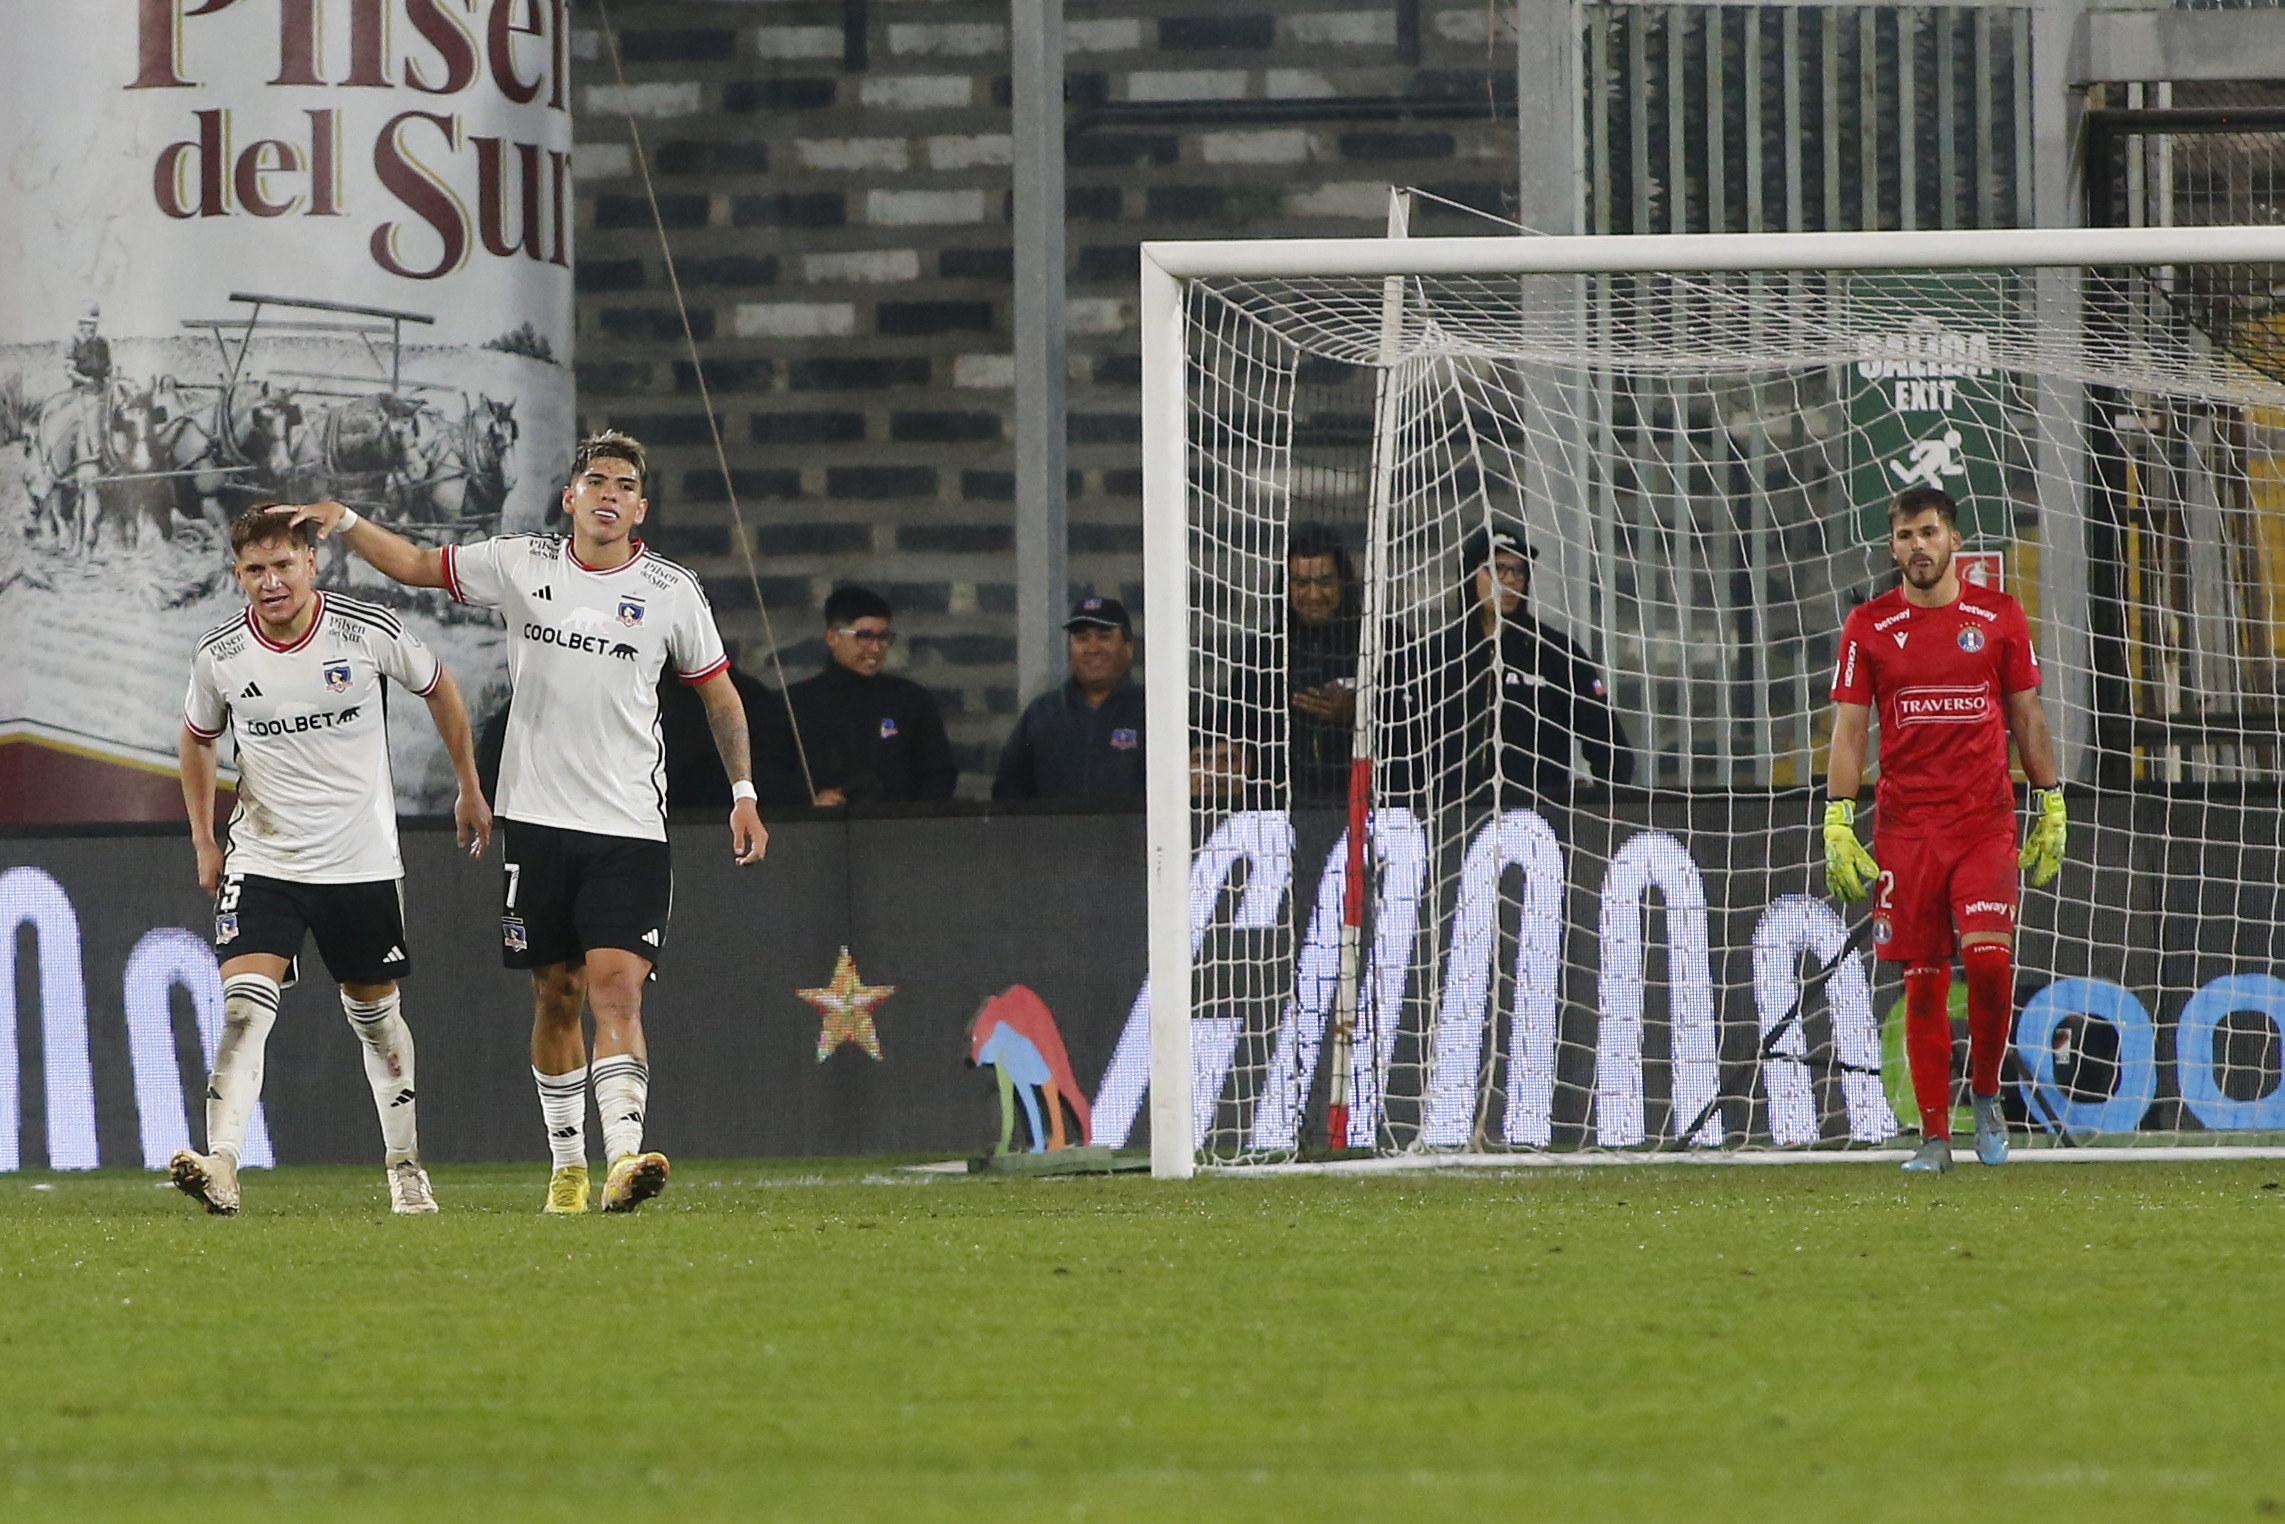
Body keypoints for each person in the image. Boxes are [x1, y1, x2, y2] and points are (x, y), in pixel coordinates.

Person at [273, 430, 767, 1214]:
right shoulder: (521, 563)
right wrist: (348, 521)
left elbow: (720, 697)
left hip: (630, 826)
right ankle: (568, 1167)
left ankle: (625, 1160)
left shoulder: (672, 591)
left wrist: (743, 792)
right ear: (569, 496)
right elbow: (415, 566)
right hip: (536, 822)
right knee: (555, 993)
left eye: (624, 484)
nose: (608, 493)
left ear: (640, 506)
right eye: (594, 480)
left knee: (617, 992)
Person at [172, 506, 492, 1216]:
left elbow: (439, 686)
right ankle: (221, 1162)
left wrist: (468, 785)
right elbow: (196, 738)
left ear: (312, 564)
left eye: (283, 565)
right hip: (264, 859)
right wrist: (205, 837)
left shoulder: (365, 631)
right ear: (238, 575)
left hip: (359, 863)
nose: (270, 581)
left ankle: (406, 1166)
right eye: (255, 569)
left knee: (376, 1021)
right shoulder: (220, 653)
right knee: (242, 1011)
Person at [1825, 485, 2065, 1174]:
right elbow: (1847, 733)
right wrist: (1837, 818)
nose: (1917, 547)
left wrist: (2049, 800)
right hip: (1905, 829)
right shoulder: (1868, 626)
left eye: (1928, 533)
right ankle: (1934, 1137)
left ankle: (1986, 1095)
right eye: (1904, 536)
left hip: (1982, 821)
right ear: (1892, 546)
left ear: (1954, 540)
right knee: (1923, 984)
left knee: (1988, 966)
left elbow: (2026, 716)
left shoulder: (1999, 615)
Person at [1405, 525, 1633, 805]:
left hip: (1537, 823)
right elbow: (1404, 747)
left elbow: (1610, 745)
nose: (1510, 580)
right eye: (1498, 569)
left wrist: (1599, 805)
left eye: (1519, 571)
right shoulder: (1433, 654)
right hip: (1452, 824)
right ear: (1470, 575)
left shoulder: (1556, 653)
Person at [755, 586, 957, 806]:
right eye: (864, 636)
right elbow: (765, 778)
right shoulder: (792, 705)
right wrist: (809, 800)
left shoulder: (910, 701)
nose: (875, 648)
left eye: (883, 637)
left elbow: (939, 773)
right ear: (832, 637)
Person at [992, 596, 1146, 801]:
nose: (1092, 648)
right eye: (1082, 638)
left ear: (1129, 647)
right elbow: (1008, 792)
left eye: (1104, 636)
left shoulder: (1152, 712)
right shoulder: (1042, 714)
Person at [1274, 525, 1362, 804]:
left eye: (1325, 583)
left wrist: (1359, 712)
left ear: (1343, 583)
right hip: (1280, 814)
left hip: (1368, 809)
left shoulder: (1383, 643)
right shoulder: (1262, 655)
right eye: (1300, 583)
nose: (1313, 595)